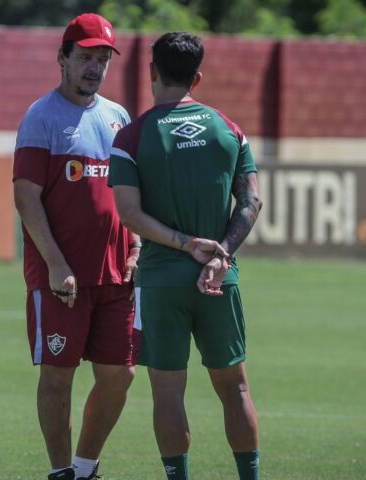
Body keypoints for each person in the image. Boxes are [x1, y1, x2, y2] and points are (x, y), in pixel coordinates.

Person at [108, 32, 263, 480]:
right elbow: (251, 203)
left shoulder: (131, 137)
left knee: (168, 395)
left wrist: (182, 243)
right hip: (219, 279)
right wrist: (221, 254)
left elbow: (129, 214)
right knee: (235, 389)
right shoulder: (228, 131)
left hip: (160, 282)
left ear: (151, 71)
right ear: (197, 77)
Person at [12, 13, 140, 480]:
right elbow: (25, 196)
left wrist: (137, 243)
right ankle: (62, 471)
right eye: (85, 57)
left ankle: (85, 468)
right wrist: (55, 262)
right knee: (58, 378)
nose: (94, 67)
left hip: (117, 275)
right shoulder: (41, 116)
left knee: (120, 375)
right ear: (62, 58)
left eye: (102, 59)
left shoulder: (118, 116)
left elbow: (132, 193)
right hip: (61, 276)